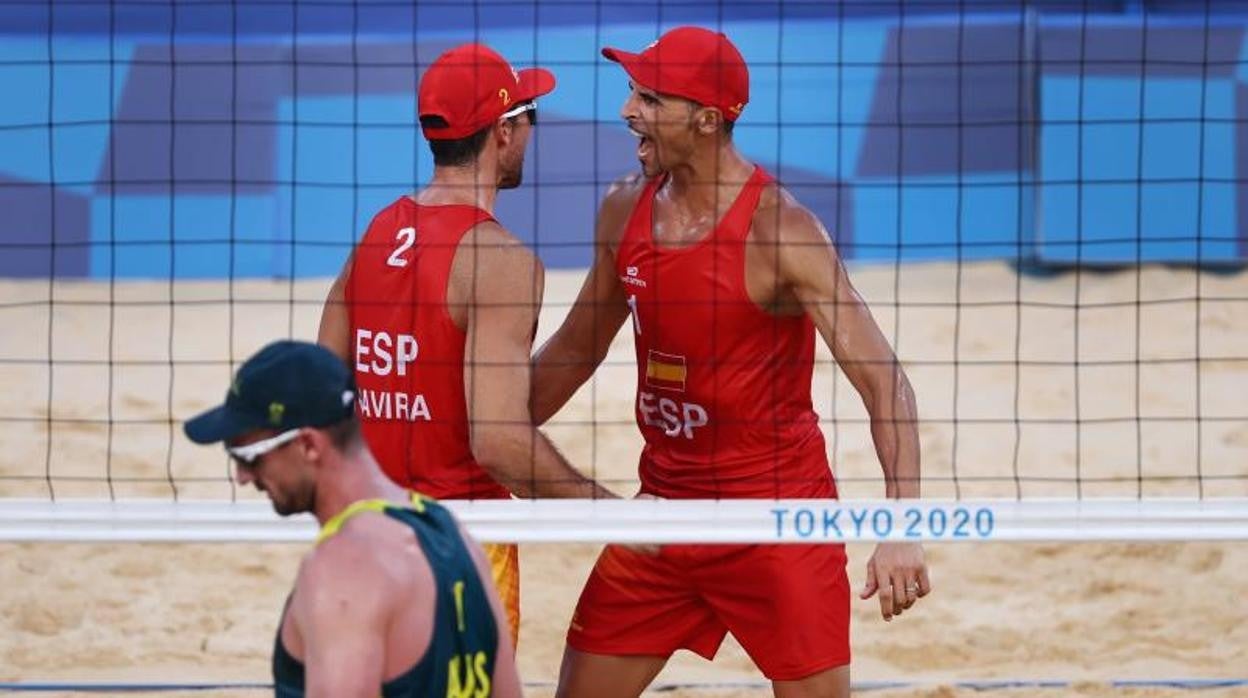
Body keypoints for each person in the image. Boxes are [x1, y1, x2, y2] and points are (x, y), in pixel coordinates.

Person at [530, 26, 931, 697]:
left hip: (777, 524)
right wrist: (481, 435)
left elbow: (884, 383)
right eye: (632, 92)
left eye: (651, 99)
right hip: (662, 517)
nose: (629, 110)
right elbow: (577, 347)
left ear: (709, 120)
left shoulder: (783, 231)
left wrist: (902, 529)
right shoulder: (624, 205)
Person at [317, 42, 616, 643]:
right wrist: (614, 512)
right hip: (460, 545)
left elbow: (323, 386)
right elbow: (500, 444)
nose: (534, 129)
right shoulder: (499, 260)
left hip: (363, 531)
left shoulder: (378, 232)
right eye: (529, 115)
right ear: (503, 132)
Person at [183, 340, 522, 697]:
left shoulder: (341, 569)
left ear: (309, 446)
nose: (242, 476)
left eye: (250, 457)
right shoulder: (455, 538)